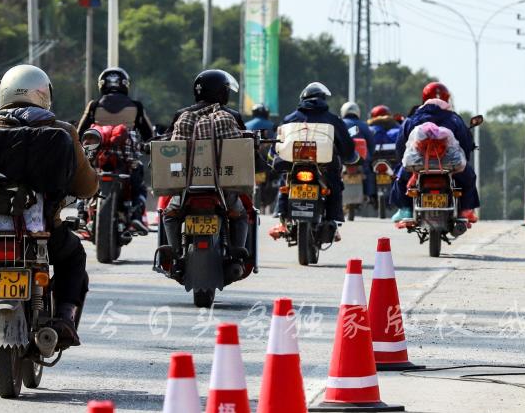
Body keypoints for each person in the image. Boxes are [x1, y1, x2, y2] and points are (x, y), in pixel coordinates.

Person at [0, 65, 97, 346]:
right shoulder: (61, 132)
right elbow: (86, 187)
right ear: (43, 93)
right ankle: (65, 317)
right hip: (41, 230)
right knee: (73, 256)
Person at [160, 69, 251, 276]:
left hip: (187, 188)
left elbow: (165, 142)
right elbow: (244, 147)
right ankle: (237, 254)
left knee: (169, 215)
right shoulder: (231, 116)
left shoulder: (182, 115)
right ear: (221, 92)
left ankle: (175, 254)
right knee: (241, 215)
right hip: (222, 188)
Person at [270, 82, 357, 236]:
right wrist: (349, 156)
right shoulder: (332, 119)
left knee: (285, 181)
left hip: (293, 165)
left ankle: (281, 215)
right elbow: (346, 146)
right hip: (325, 167)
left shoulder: (290, 118)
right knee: (334, 186)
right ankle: (332, 219)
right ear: (323, 99)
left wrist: (274, 156)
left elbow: (276, 146)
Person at [390, 82, 480, 223]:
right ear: (446, 99)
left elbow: (401, 146)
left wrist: (402, 162)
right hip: (450, 166)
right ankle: (466, 210)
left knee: (400, 178)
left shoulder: (411, 120)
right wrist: (464, 160)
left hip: (417, 166)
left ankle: (405, 210)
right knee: (469, 178)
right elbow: (465, 144)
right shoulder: (455, 119)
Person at [78, 67, 154, 233]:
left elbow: (80, 133)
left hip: (97, 161)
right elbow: (149, 135)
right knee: (139, 185)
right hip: (127, 163)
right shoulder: (136, 107)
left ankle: (81, 213)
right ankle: (136, 215)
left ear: (102, 85)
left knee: (82, 181)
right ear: (125, 84)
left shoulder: (94, 106)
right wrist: (148, 146)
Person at [340, 101, 376, 201]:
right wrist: (370, 156)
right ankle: (370, 195)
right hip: (362, 159)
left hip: (343, 158)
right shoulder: (364, 125)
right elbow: (371, 144)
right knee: (368, 173)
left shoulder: (340, 124)